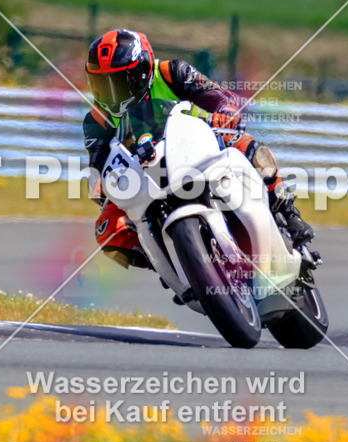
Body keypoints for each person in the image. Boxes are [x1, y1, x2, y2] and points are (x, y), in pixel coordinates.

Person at [82, 28, 314, 269]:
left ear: (142, 70)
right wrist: (103, 186)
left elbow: (217, 96)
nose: (111, 93)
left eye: (119, 82)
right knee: (108, 230)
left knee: (247, 145)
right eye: (102, 83)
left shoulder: (172, 72)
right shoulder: (96, 121)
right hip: (146, 174)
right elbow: (99, 166)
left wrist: (224, 112)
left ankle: (288, 212)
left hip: (195, 141)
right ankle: (171, 262)